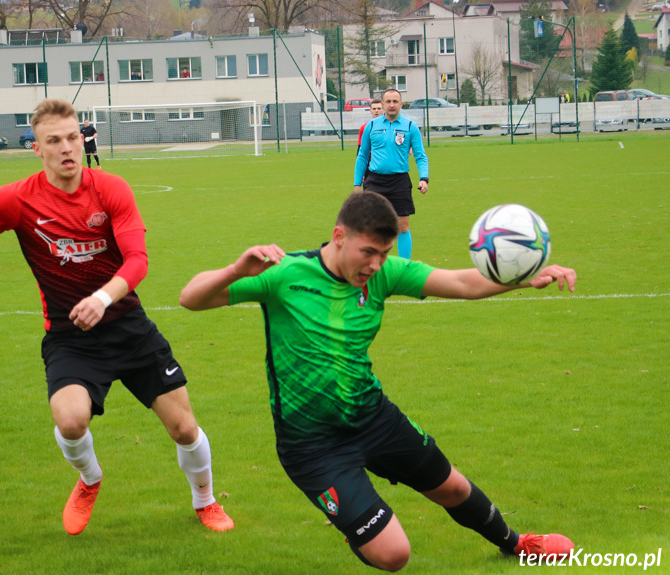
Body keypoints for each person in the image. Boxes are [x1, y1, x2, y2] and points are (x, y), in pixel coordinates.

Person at [179, 192, 576, 571]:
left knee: (452, 488)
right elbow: (190, 298)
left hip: (373, 418)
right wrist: (235, 270)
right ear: (339, 236)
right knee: (394, 555)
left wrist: (525, 277)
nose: (374, 264)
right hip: (312, 445)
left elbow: (461, 284)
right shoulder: (284, 274)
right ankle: (356, 520)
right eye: (368, 252)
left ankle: (518, 544)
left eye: (384, 254)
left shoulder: (384, 274)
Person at [0, 98, 234, 536]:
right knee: (70, 419)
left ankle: (205, 501)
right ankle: (90, 479)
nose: (67, 148)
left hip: (128, 328)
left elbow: (137, 262)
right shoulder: (17, 201)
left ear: (83, 138)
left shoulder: (111, 188)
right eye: (53, 141)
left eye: (73, 137)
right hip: (70, 335)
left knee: (185, 429)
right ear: (37, 149)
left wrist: (103, 297)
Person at [354, 89, 427, 260]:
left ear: (401, 104)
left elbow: (420, 156)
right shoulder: (371, 126)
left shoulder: (410, 127)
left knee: (402, 226)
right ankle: (371, 264)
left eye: (395, 101)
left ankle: (404, 267)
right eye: (388, 102)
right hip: (375, 181)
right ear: (383, 104)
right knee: (371, 226)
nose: (392, 105)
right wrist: (357, 184)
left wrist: (424, 178)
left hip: (399, 182)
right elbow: (362, 156)